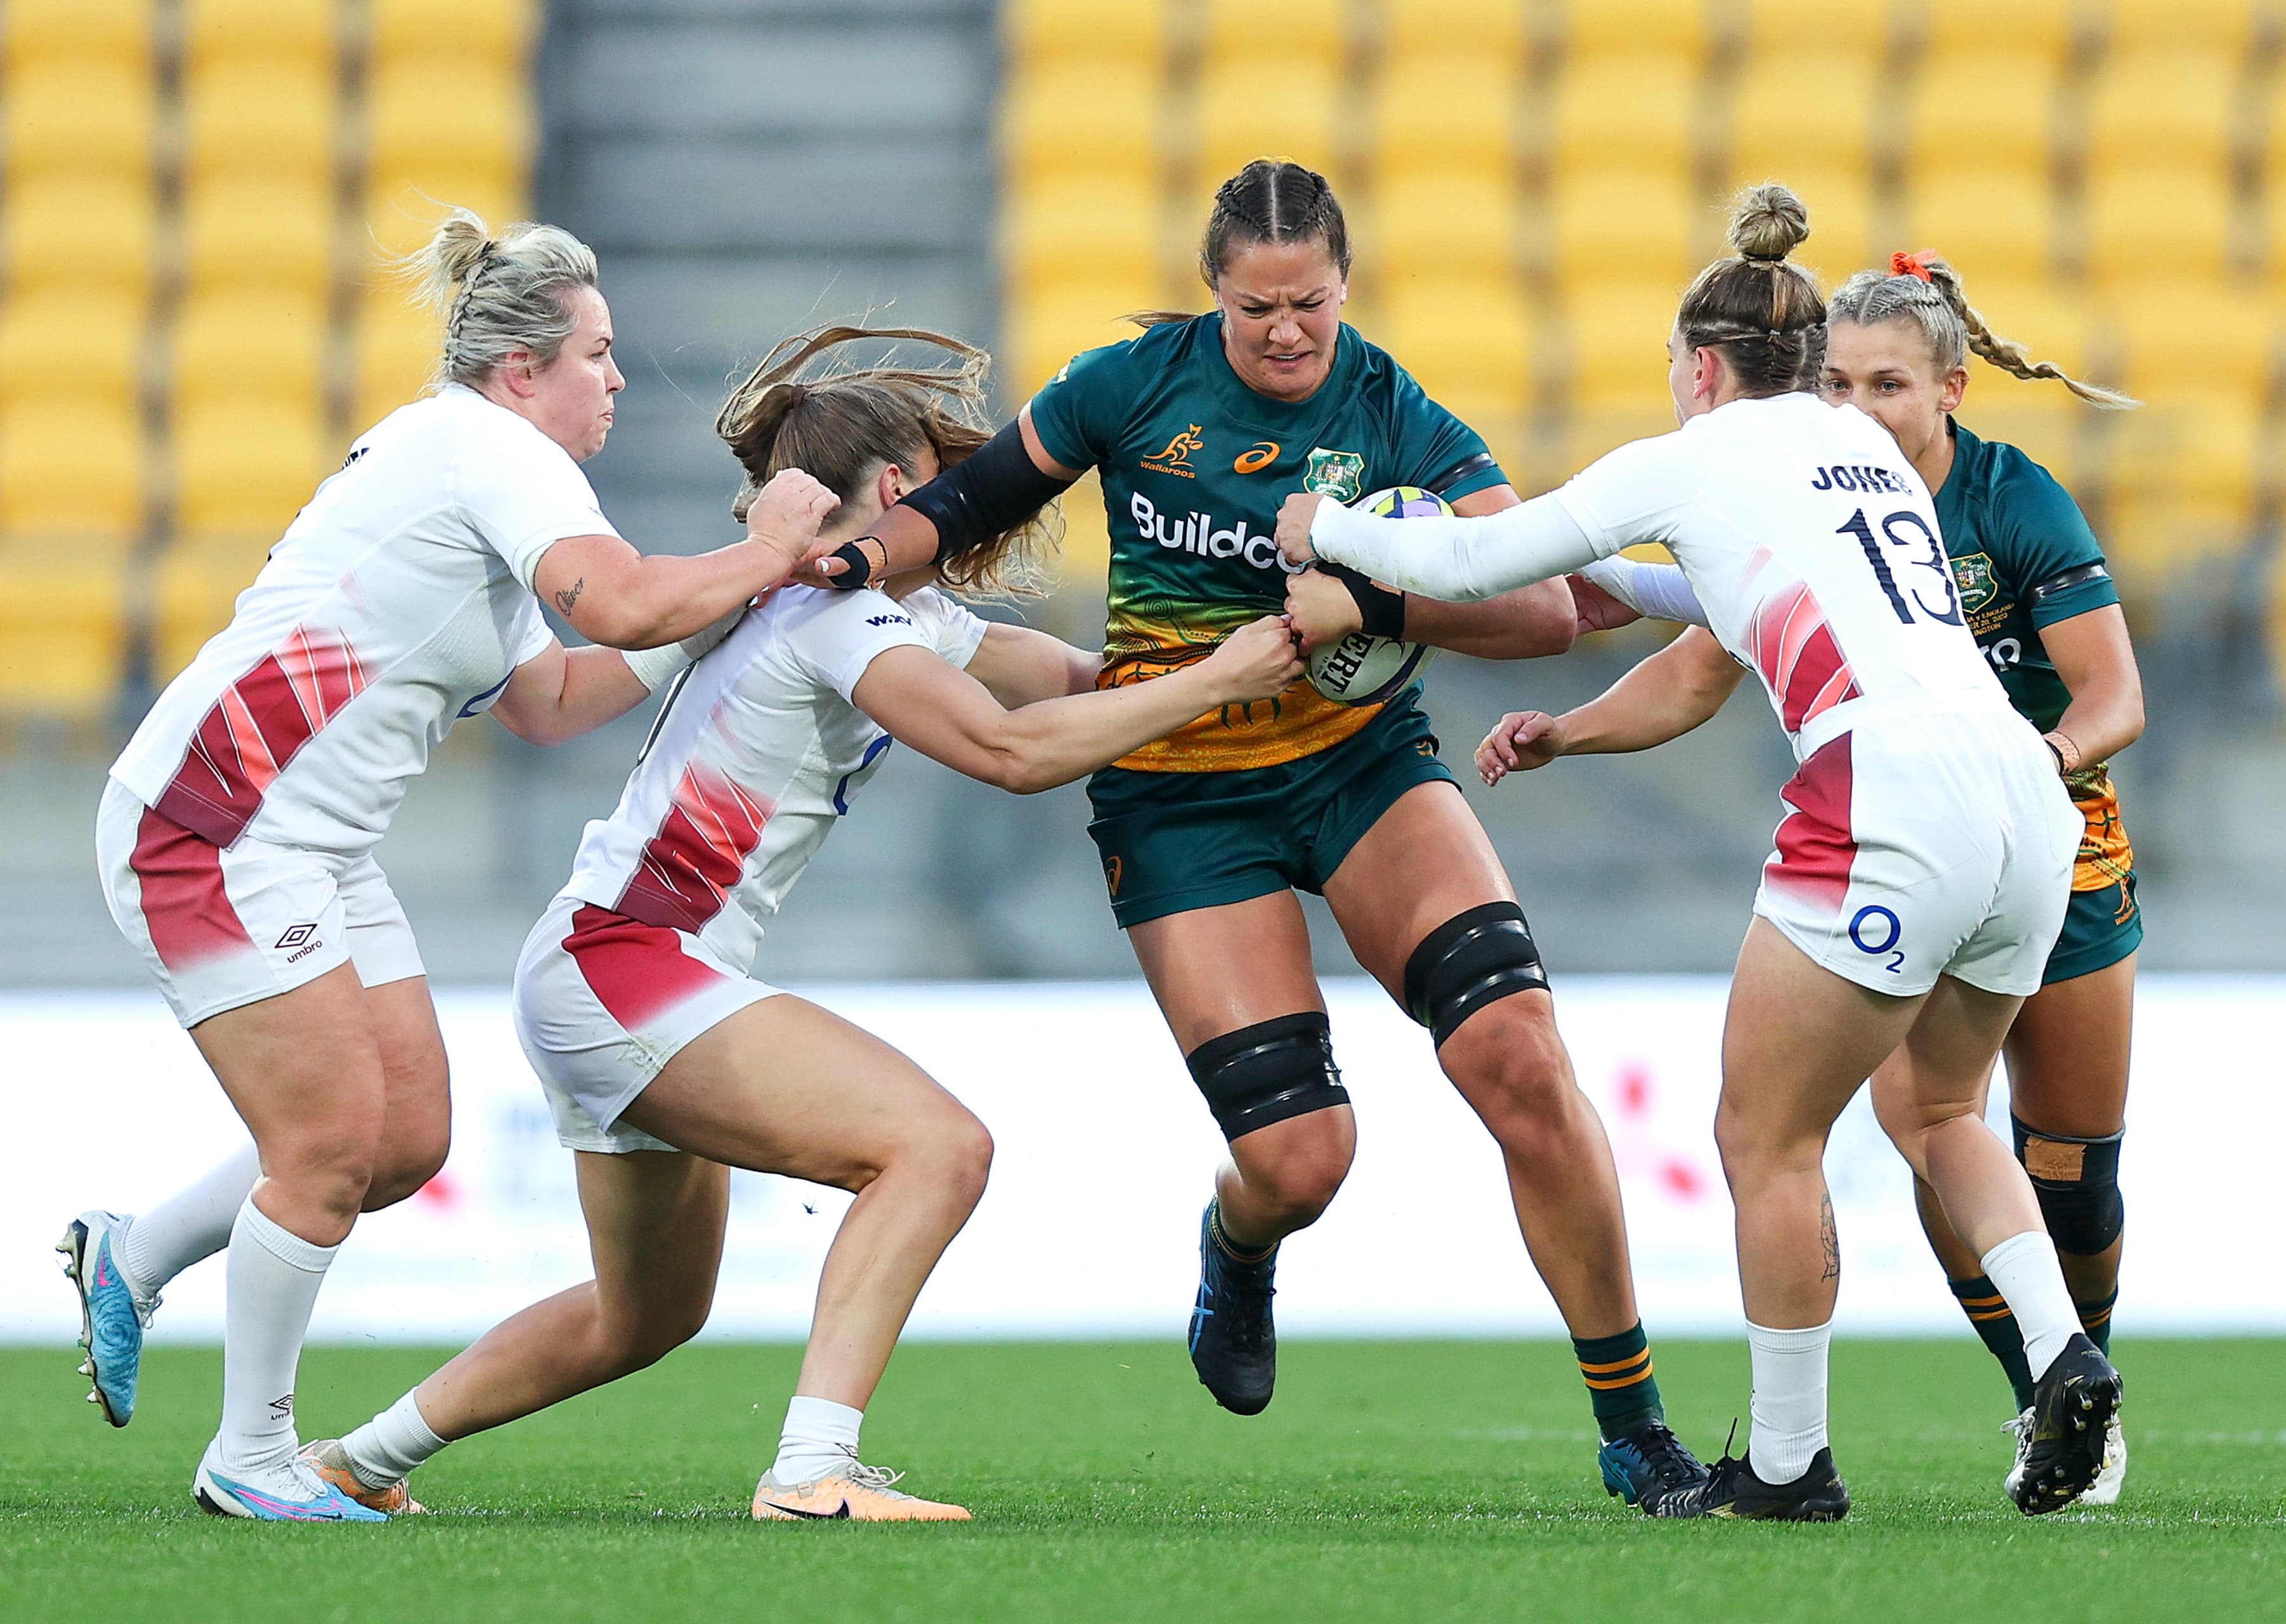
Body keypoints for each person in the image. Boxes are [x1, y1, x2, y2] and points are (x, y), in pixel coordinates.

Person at [788, 160, 1704, 1505]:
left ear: (1345, 287)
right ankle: (1240, 1240)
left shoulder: (1391, 406)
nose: (1286, 331)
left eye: (1312, 306)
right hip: (1179, 791)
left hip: (1364, 765)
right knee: (1301, 1158)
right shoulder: (1130, 384)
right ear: (1215, 290)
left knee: (1517, 1052)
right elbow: (973, 504)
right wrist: (864, 560)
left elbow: (1539, 609)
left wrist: (1375, 607)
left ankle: (1636, 1429)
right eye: (1259, 306)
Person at [299, 325, 1305, 1522]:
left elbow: (1074, 687)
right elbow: (1009, 751)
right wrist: (1216, 682)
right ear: (891, 492)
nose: (965, 503)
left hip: (602, 963)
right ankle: (813, 1469)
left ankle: (357, 1462)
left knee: (648, 1313)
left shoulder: (887, 609)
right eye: (942, 480)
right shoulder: (839, 619)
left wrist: (1272, 661)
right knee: (936, 1148)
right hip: (627, 967)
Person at [1280, 184, 2120, 1520]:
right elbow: (1734, 586)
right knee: (1946, 1110)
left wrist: (1327, 534)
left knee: (1763, 1134)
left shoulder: (1694, 453)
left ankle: (1789, 1464)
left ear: (1705, 362)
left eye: (1675, 364)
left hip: (1886, 788)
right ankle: (2063, 1350)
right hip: (2024, 789)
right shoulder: (1868, 458)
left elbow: (1489, 555)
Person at [60, 211, 850, 1521]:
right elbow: (614, 600)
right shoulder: (490, 449)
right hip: (213, 824)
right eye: (596, 353)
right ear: (521, 369)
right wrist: (765, 548)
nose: (613, 377)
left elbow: (548, 694)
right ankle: (252, 1456)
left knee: (404, 1140)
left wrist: (731, 604)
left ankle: (132, 1256)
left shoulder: (465, 466)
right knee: (324, 1146)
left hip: (307, 841)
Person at [1822, 252, 2145, 1503]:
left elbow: (2116, 695)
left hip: (2065, 853)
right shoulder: (1818, 508)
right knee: (1931, 1129)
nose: (1858, 411)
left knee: (2070, 1166)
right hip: (1914, 864)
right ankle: (2046, 1395)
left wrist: (2036, 761)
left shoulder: (2017, 499)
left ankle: (2090, 1369)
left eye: (1888, 383)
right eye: (1837, 383)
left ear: (1953, 388)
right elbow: (1705, 651)